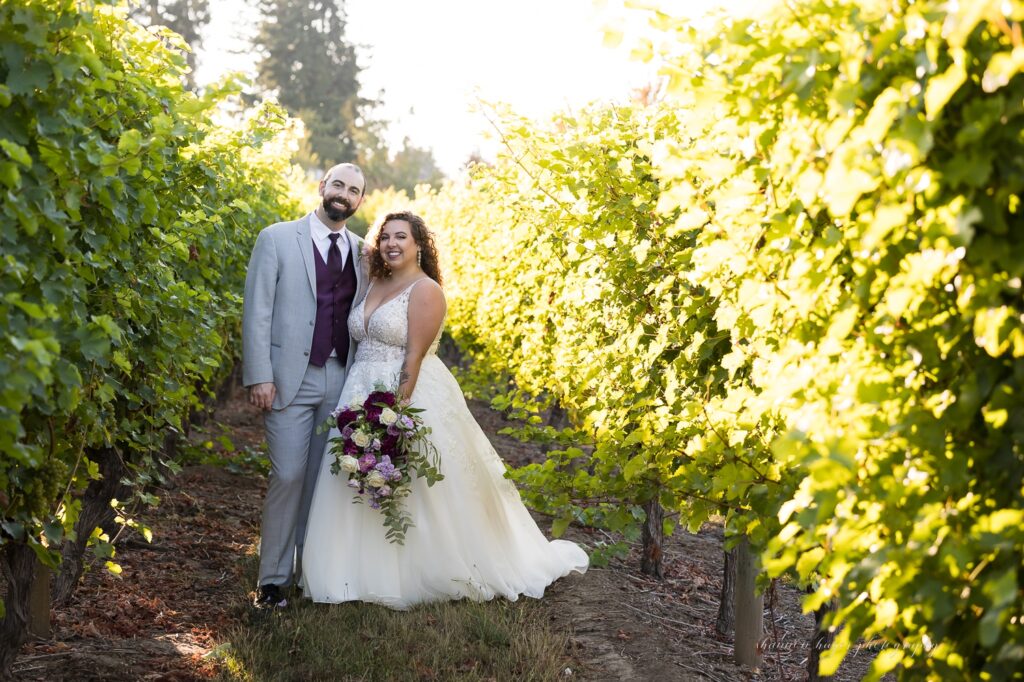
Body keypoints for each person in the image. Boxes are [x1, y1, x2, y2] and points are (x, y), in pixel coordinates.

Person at [301, 211, 588, 608]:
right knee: (354, 479)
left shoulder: (426, 290)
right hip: (358, 390)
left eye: (401, 236)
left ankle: (421, 572)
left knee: (412, 483)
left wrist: (391, 420)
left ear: (420, 244)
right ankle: (351, 574)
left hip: (404, 395)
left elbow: (413, 360)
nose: (392, 244)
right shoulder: (375, 283)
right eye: (385, 237)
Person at [242, 163, 369, 608]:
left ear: (359, 202)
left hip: (340, 379)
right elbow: (257, 309)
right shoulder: (276, 238)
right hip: (288, 379)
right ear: (322, 187)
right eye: (338, 184)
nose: (344, 194)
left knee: (321, 482)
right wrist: (260, 374)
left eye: (354, 190)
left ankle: (310, 574)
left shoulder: (362, 253)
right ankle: (273, 580)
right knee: (288, 475)